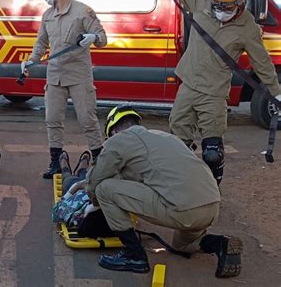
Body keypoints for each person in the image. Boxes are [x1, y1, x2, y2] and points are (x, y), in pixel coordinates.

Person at [128, 0, 281, 185]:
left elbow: (261, 62)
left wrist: (276, 92)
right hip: (188, 85)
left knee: (212, 152)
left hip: (214, 93)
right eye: (218, 5)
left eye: (227, 7)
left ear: (240, 2)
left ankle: (210, 194)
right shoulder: (202, 1)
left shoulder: (248, 27)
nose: (220, 11)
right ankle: (181, 187)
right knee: (177, 144)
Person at [86, 105, 242, 278]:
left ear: (113, 130)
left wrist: (94, 204)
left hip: (182, 209)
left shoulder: (119, 140)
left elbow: (95, 181)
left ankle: (134, 255)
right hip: (211, 206)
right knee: (182, 244)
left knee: (104, 189)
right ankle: (220, 244)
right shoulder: (164, 137)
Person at [22, 0, 107, 179]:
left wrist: (93, 38)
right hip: (55, 76)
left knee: (87, 119)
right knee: (52, 119)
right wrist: (31, 61)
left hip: (78, 75)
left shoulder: (82, 11)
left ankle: (101, 161)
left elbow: (102, 38)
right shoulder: (48, 16)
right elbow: (41, 42)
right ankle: (55, 162)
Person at [53, 151, 114, 238]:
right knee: (83, 177)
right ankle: (81, 166)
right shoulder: (108, 210)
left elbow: (57, 210)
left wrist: (77, 187)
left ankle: (66, 164)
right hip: (90, 188)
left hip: (78, 190)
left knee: (68, 178)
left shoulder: (75, 214)